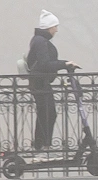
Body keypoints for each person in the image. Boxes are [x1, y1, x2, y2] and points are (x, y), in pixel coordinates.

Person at [23, 10, 78, 151]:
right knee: (48, 113)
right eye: (55, 27)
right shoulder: (41, 42)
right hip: (40, 82)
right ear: (49, 27)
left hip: (40, 82)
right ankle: (43, 145)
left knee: (45, 113)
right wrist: (64, 64)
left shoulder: (39, 40)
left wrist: (63, 64)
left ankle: (41, 145)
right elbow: (44, 64)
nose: (56, 30)